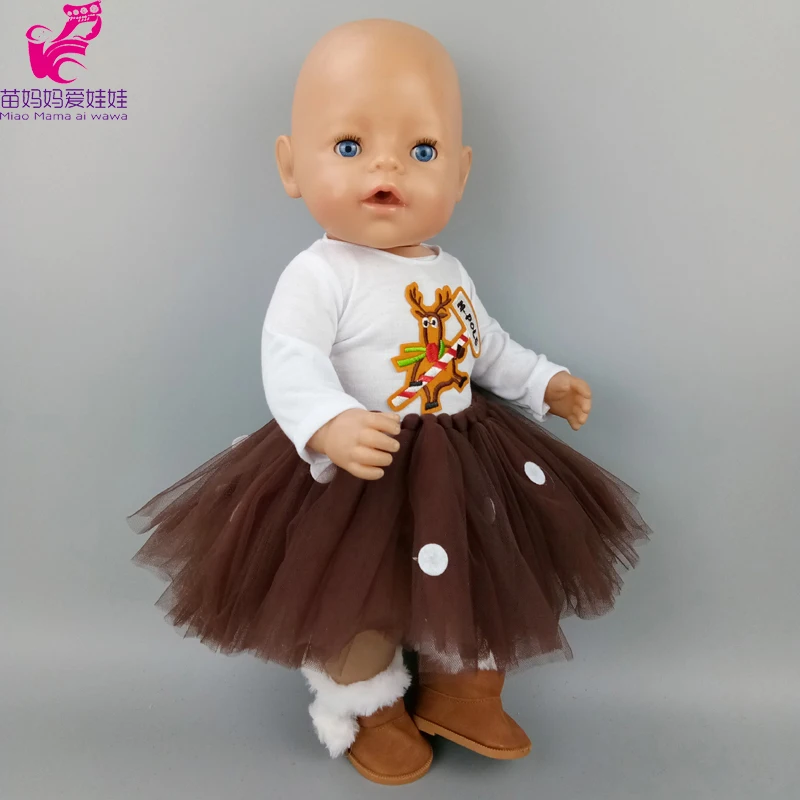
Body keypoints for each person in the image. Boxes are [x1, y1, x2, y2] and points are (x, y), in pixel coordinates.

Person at [130, 18, 650, 786]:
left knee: (474, 572)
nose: (387, 166)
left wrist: (544, 381)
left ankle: (463, 687)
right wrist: (329, 422)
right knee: (360, 595)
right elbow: (291, 359)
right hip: (360, 468)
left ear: (460, 175)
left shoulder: (449, 271)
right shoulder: (321, 274)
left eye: (423, 151)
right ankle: (366, 706)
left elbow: (485, 346)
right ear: (291, 166)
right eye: (349, 146)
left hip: (463, 459)